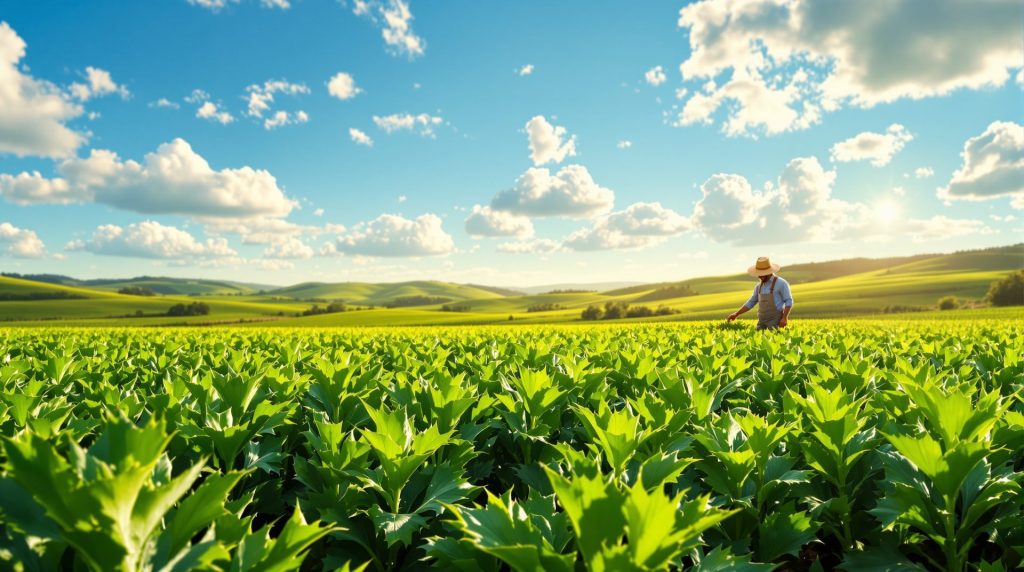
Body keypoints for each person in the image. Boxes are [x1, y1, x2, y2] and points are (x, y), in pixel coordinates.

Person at [726, 256, 793, 330]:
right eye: (758, 273)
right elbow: (751, 302)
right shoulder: (759, 286)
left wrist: (784, 318)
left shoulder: (781, 283)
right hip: (761, 321)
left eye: (762, 274)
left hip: (775, 321)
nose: (759, 276)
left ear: (769, 272)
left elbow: (788, 301)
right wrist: (737, 314)